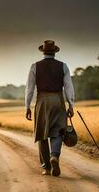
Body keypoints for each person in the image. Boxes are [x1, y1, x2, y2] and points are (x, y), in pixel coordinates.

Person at [25, 40, 75, 177]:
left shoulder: (35, 66)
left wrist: (27, 106)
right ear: (54, 52)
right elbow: (69, 87)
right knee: (58, 131)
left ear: (43, 52)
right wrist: (71, 105)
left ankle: (47, 167)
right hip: (58, 101)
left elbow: (29, 89)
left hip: (42, 101)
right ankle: (54, 156)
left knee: (42, 134)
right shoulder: (63, 66)